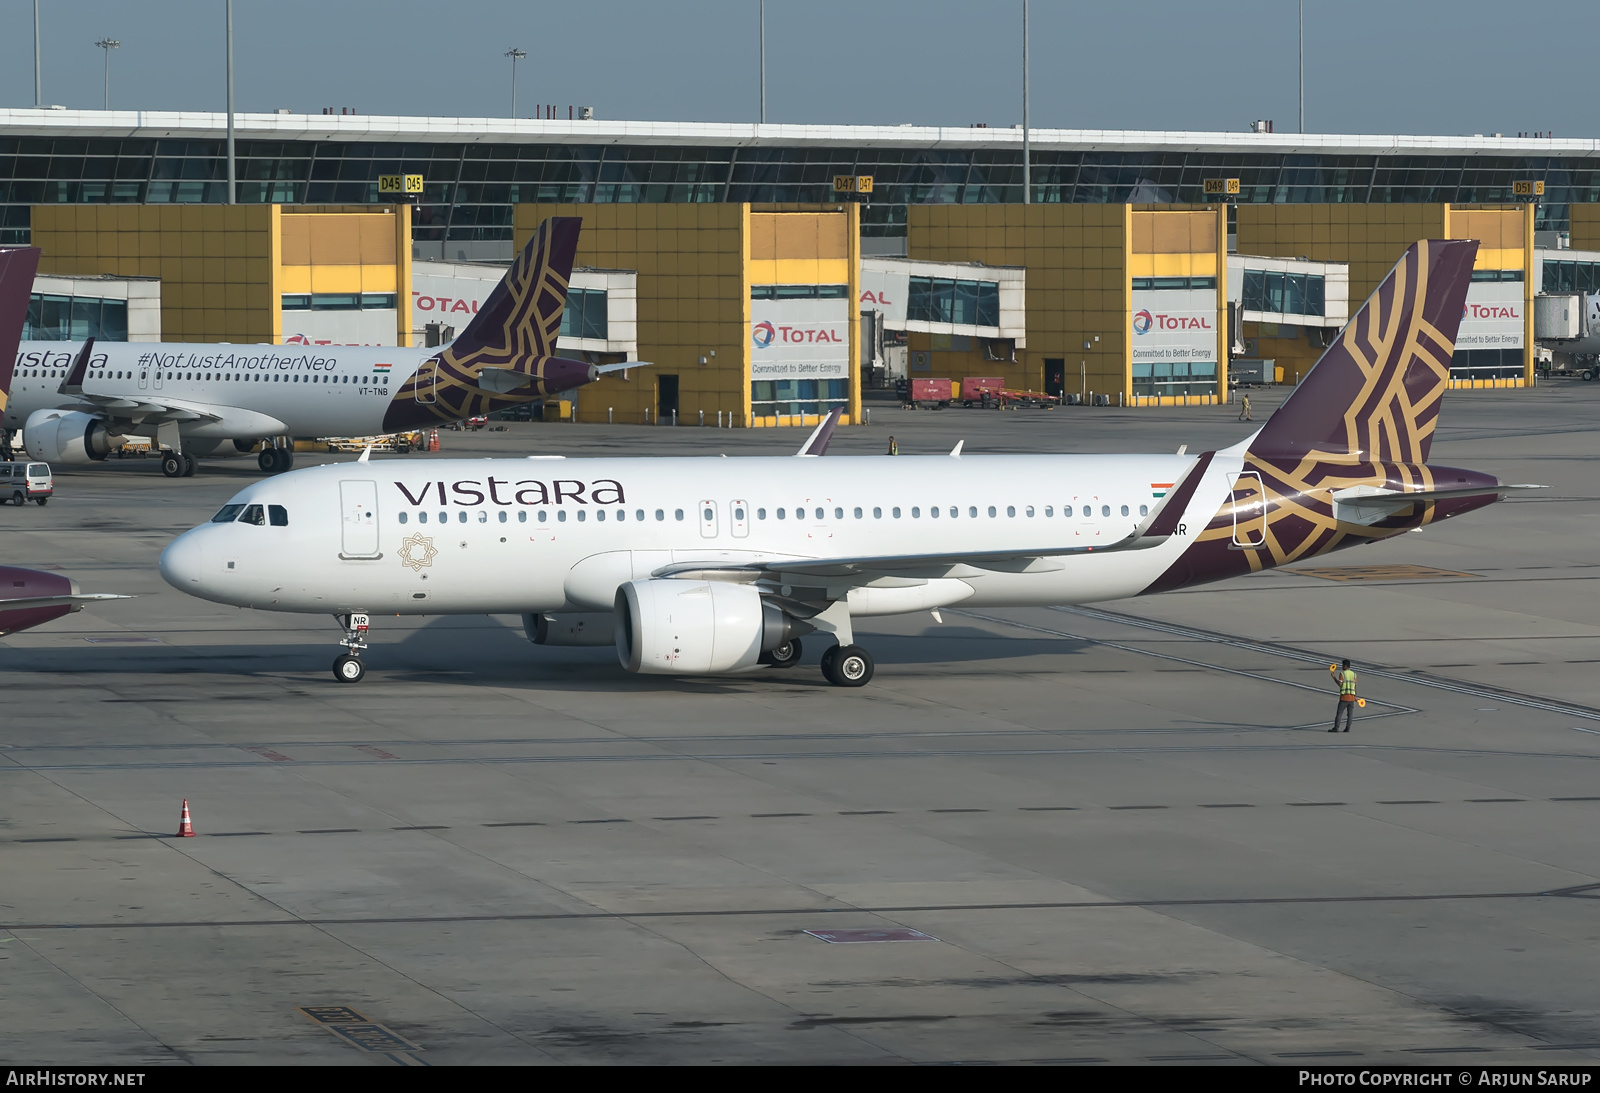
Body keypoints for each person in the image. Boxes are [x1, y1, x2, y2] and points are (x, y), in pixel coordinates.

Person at [1329, 658, 1358, 732]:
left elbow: (1340, 684)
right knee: (1350, 714)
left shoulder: (1342, 674)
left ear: (1345, 666)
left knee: (1339, 713)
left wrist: (1334, 678)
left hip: (1344, 698)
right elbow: (1355, 686)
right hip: (1351, 698)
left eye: (1342, 665)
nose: (1342, 667)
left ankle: (1336, 728)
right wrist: (1355, 697)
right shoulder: (1354, 674)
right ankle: (1347, 728)